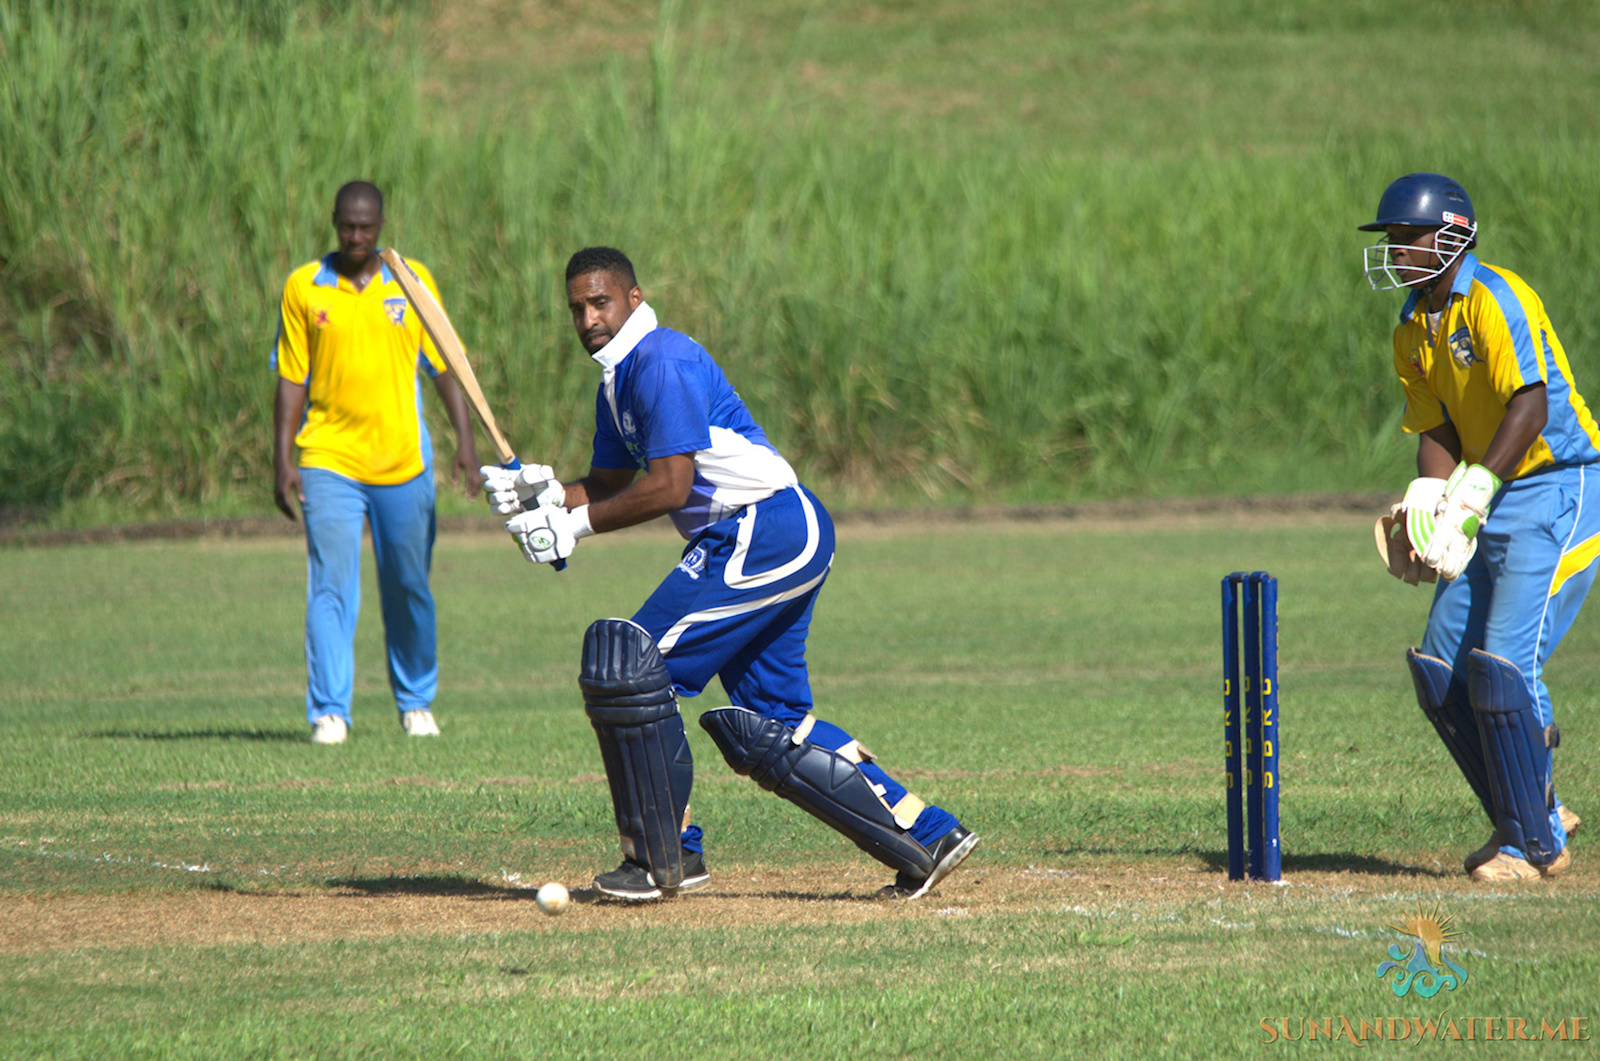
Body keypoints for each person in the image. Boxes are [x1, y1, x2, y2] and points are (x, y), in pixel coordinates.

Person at [482, 247, 978, 900]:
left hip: (764, 527)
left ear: (635, 298)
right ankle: (930, 837)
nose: (588, 319)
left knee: (628, 664)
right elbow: (608, 482)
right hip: (769, 531)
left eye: (600, 302)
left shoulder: (661, 361)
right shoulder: (617, 379)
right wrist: (544, 494)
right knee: (770, 725)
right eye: (576, 307)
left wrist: (571, 527)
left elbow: (668, 485)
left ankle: (662, 859)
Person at [1361, 173, 1592, 881]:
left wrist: (1478, 487)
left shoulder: (1498, 297)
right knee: (1440, 671)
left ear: (1454, 235)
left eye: (1410, 236)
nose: (1398, 251)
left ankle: (1536, 843)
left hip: (1556, 482)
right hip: (1483, 487)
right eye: (1393, 239)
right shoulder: (1412, 326)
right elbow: (1435, 424)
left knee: (1503, 668)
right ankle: (1528, 813)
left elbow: (1531, 403)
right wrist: (1430, 496)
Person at [272, 181, 482, 744]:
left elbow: (444, 365)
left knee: (408, 586)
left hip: (402, 461)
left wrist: (466, 443)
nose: (357, 236)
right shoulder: (304, 287)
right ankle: (329, 712)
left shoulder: (410, 281)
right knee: (331, 586)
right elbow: (291, 378)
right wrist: (282, 458)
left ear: (382, 223)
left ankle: (416, 702)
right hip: (328, 456)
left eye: (367, 227)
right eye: (347, 226)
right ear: (334, 221)